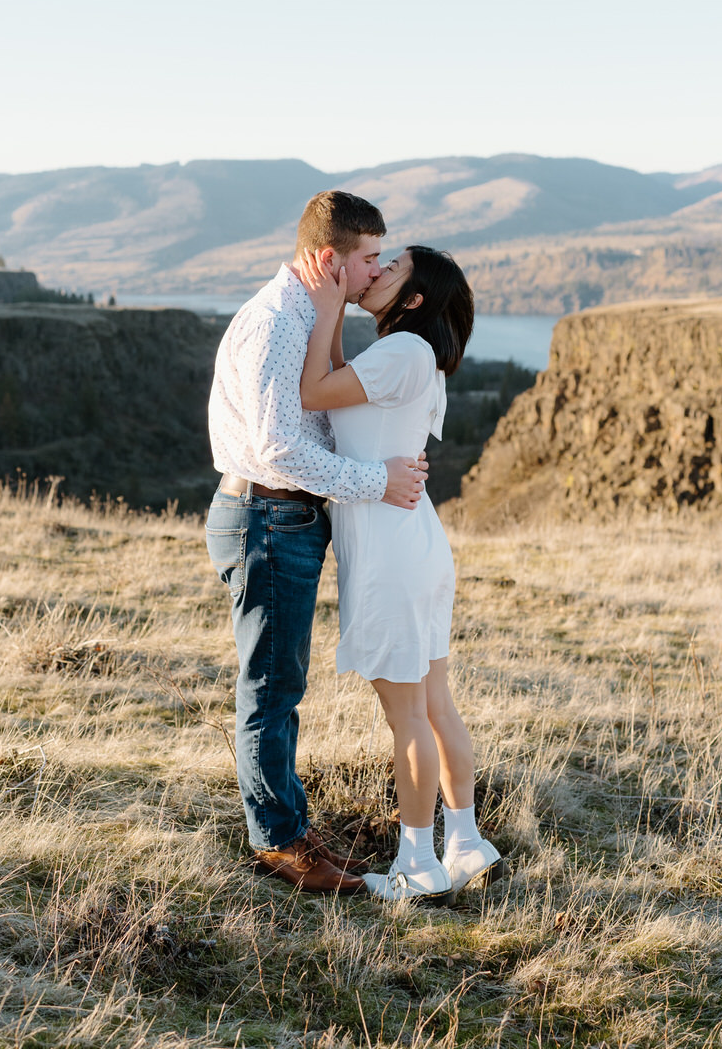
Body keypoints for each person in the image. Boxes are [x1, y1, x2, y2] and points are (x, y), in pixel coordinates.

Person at [206, 191, 429, 896]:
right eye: (368, 259)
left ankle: (289, 829)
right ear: (331, 259)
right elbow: (277, 450)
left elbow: (319, 413)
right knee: (271, 690)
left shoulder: (308, 313)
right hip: (268, 516)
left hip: (287, 519)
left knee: (281, 685)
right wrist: (377, 480)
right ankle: (278, 844)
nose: (376, 271)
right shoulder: (278, 322)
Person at [299, 244, 503, 903]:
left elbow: (311, 393)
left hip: (391, 555)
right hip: (414, 546)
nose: (378, 270)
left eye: (393, 269)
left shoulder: (401, 352)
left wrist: (328, 305)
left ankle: (418, 865)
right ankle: (465, 843)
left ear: (413, 300)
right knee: (435, 704)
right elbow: (340, 393)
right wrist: (334, 320)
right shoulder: (411, 356)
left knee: (408, 716)